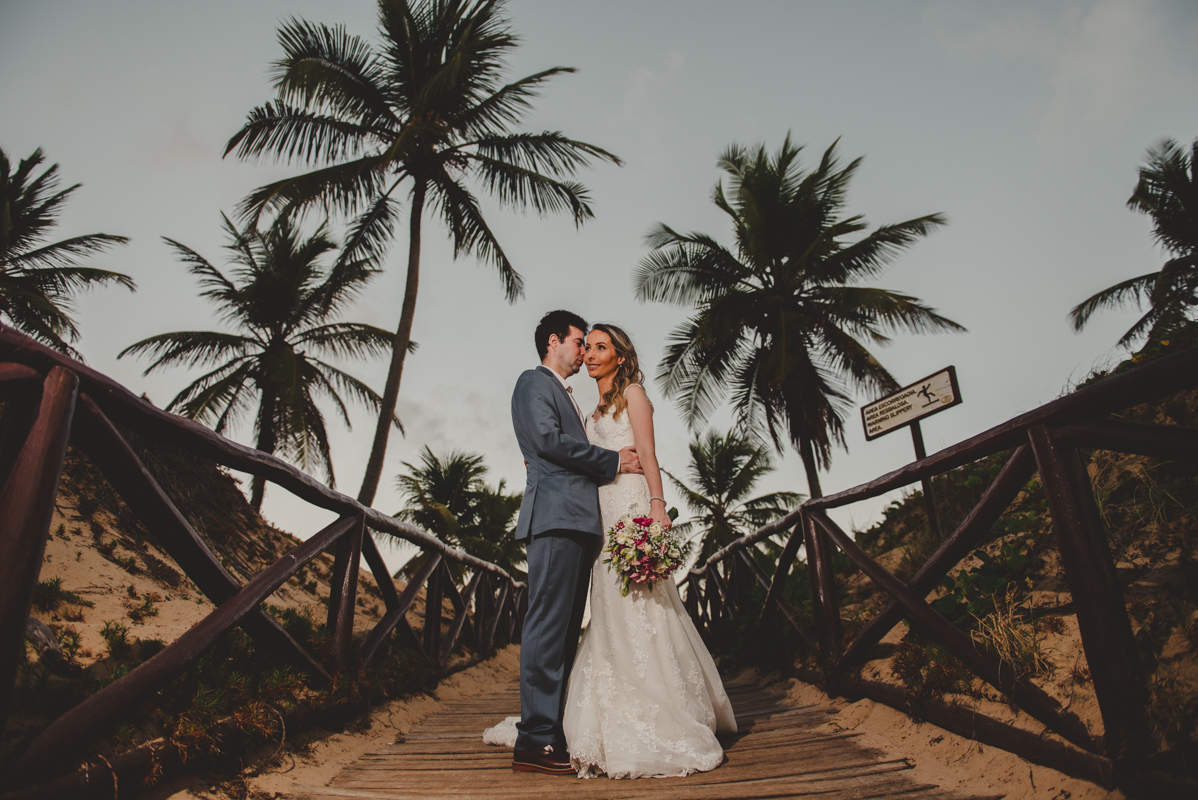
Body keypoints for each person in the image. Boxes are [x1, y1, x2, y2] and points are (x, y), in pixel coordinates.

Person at [560, 323, 736, 778]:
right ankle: (613, 700)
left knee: (644, 603)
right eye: (589, 347)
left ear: (621, 356)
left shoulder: (633, 394)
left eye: (602, 347)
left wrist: (657, 510)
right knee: (609, 607)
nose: (592, 354)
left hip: (633, 505)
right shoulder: (589, 409)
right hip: (602, 513)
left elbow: (649, 454)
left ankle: (666, 705)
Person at [505, 310, 643, 776]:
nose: (584, 351)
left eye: (588, 344)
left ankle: (551, 732)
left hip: (579, 525)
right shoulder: (533, 383)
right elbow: (546, 440)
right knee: (546, 628)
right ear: (553, 341)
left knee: (564, 632)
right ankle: (535, 740)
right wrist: (612, 461)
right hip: (556, 521)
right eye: (579, 342)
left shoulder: (567, 395)